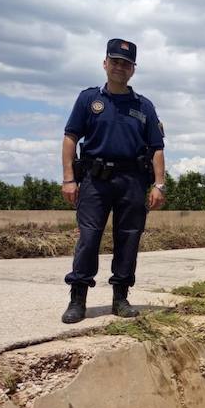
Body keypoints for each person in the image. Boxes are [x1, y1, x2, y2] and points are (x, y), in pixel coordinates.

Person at [60, 38, 166, 324]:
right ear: (105, 63)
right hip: (95, 180)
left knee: (129, 238)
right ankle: (77, 298)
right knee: (89, 237)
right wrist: (69, 179)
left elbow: (156, 147)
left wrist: (159, 184)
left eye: (126, 64)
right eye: (115, 61)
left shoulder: (144, 106)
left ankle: (120, 297)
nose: (120, 67)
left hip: (132, 181)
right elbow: (71, 137)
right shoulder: (89, 100)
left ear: (133, 69)